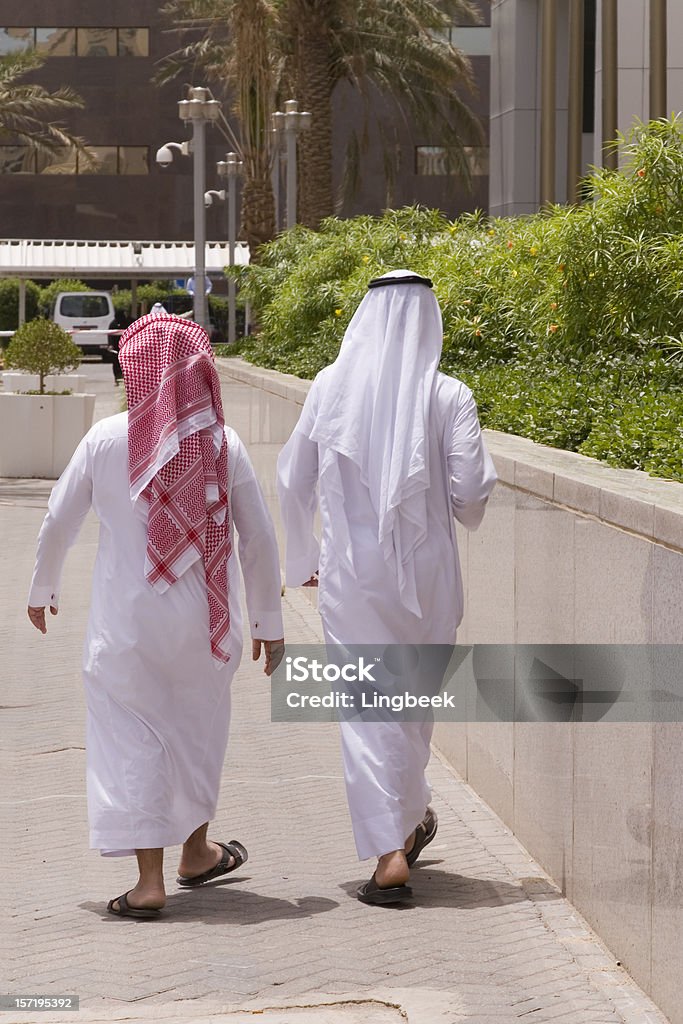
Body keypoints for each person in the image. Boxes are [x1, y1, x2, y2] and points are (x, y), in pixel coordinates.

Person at [28, 313, 285, 919]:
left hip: (127, 626)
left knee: (133, 740)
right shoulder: (224, 444)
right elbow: (259, 540)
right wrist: (271, 627)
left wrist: (43, 587)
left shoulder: (105, 438)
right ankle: (195, 850)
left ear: (133, 369)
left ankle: (151, 881)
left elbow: (58, 519)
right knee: (194, 734)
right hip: (206, 626)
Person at [277, 270, 496, 905]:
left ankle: (390, 850)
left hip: (353, 579)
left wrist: (304, 557)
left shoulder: (329, 388)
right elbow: (473, 491)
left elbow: (292, 480)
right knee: (412, 710)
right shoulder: (450, 395)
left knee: (370, 711)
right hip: (429, 582)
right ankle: (405, 824)